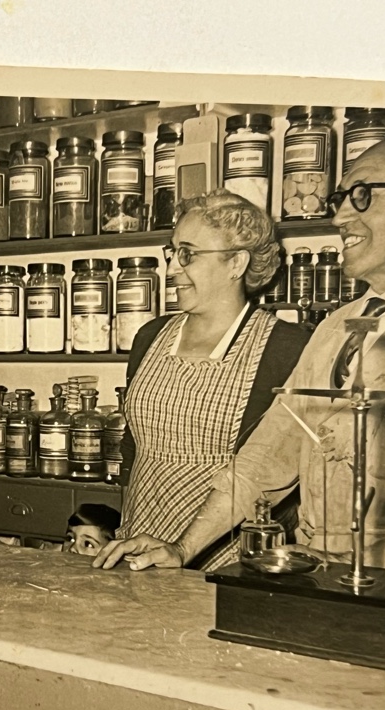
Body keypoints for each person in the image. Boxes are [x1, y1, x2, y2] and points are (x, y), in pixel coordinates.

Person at [96, 136, 385, 573]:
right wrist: (182, 548)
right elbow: (266, 458)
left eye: (362, 196)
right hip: (325, 577)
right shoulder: (338, 325)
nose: (340, 214)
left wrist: (341, 568)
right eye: (341, 198)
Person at [116, 189, 310, 568]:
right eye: (171, 252)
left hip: (229, 553)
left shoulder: (286, 347)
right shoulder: (151, 336)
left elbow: (278, 471)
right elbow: (132, 449)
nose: (172, 269)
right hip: (139, 539)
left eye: (188, 254)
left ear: (236, 262)